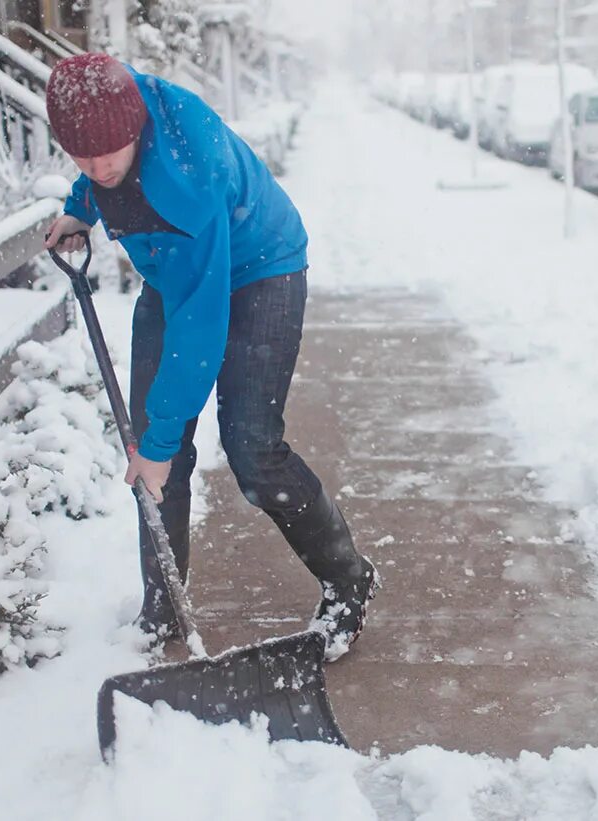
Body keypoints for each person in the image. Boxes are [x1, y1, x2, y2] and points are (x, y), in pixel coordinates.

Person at [42, 53, 377, 661]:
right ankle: (162, 607)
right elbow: (98, 170)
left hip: (260, 269)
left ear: (136, 128)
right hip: (178, 273)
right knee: (149, 451)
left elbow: (200, 326)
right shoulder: (106, 106)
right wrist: (80, 203)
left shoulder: (187, 176)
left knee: (251, 448)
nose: (96, 166)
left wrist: (163, 438)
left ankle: (349, 581)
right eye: (79, 157)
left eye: (109, 154)